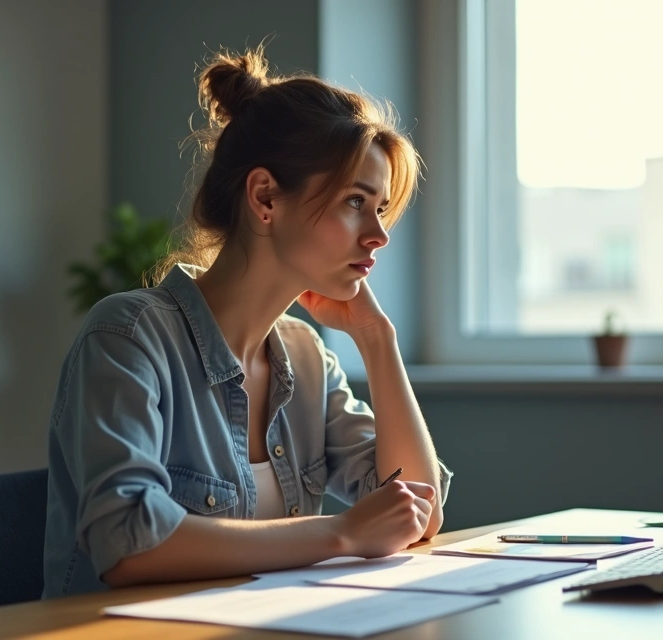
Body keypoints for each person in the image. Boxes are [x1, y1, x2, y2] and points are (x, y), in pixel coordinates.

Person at [41, 47, 453, 598]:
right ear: (264, 197)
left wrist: (378, 341)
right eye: (357, 201)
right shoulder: (128, 337)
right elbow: (127, 541)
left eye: (380, 209)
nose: (379, 235)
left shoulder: (306, 356)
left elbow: (418, 510)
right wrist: (339, 533)